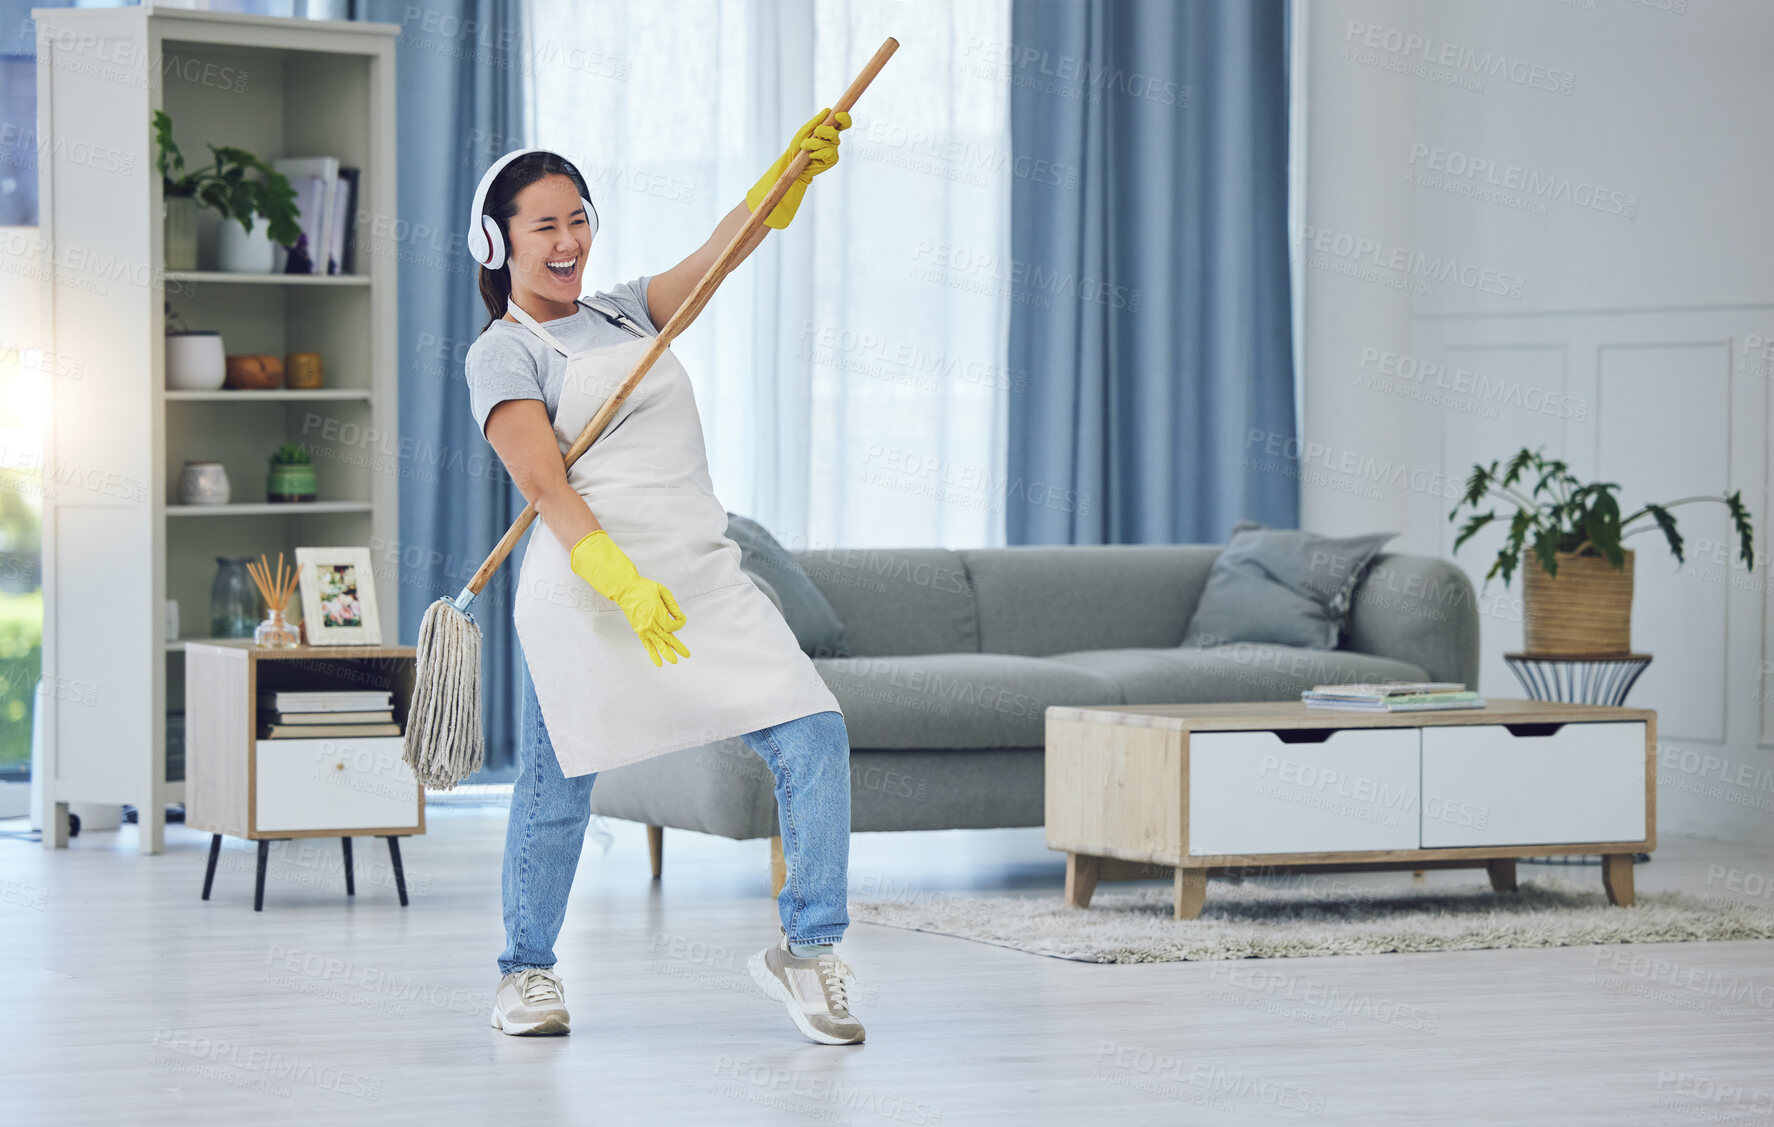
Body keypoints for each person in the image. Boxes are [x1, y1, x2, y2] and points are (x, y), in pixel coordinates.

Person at [460, 110, 866, 1046]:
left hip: (699, 572)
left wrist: (786, 176)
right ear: (498, 242)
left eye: (578, 220)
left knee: (814, 734)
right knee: (559, 785)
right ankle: (526, 972)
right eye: (543, 227)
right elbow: (541, 483)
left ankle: (809, 952)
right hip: (587, 584)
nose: (568, 243)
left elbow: (723, 251)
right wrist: (618, 581)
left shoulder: (628, 310)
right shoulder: (503, 352)